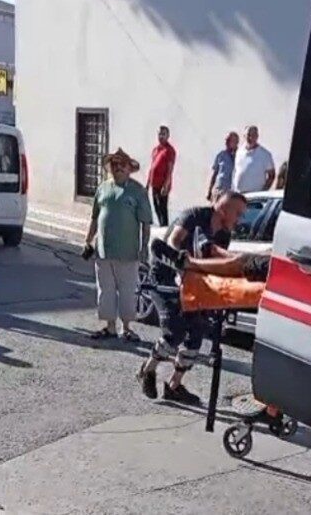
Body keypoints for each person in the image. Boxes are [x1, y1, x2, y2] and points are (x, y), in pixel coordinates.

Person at [137, 191, 247, 404]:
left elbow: (213, 262)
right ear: (224, 209)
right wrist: (182, 267)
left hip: (192, 283)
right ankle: (147, 370)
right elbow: (173, 241)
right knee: (175, 330)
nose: (240, 219)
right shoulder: (194, 216)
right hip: (165, 279)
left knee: (197, 331)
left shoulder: (223, 234)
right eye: (238, 213)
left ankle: (174, 386)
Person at [84, 147, 153, 341]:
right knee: (105, 290)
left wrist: (144, 247)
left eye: (122, 164)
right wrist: (88, 241)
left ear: (129, 168)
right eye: (114, 164)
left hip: (128, 252)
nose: (118, 167)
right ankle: (110, 327)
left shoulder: (138, 191)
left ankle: (127, 328)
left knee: (127, 291)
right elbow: (95, 217)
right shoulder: (103, 188)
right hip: (103, 250)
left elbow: (146, 222)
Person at [232, 126, 275, 193]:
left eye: (253, 135)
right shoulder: (239, 152)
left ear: (257, 136)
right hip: (239, 194)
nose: (250, 138)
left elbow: (271, 176)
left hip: (255, 195)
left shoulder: (265, 154)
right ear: (244, 136)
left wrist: (263, 191)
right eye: (248, 135)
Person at [147, 125, 176, 227]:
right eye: (160, 134)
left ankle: (164, 227)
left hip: (163, 184)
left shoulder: (169, 150)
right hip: (154, 183)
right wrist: (148, 183)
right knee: (156, 207)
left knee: (162, 207)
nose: (161, 136)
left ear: (168, 136)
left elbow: (170, 169)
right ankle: (161, 225)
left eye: (163, 134)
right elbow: (152, 166)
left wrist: (166, 184)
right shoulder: (156, 149)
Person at [206, 132, 239, 200]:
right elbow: (214, 174)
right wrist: (209, 191)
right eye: (226, 140)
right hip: (220, 190)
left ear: (236, 142)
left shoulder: (240, 155)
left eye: (229, 140)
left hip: (233, 193)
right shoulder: (221, 155)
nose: (226, 142)